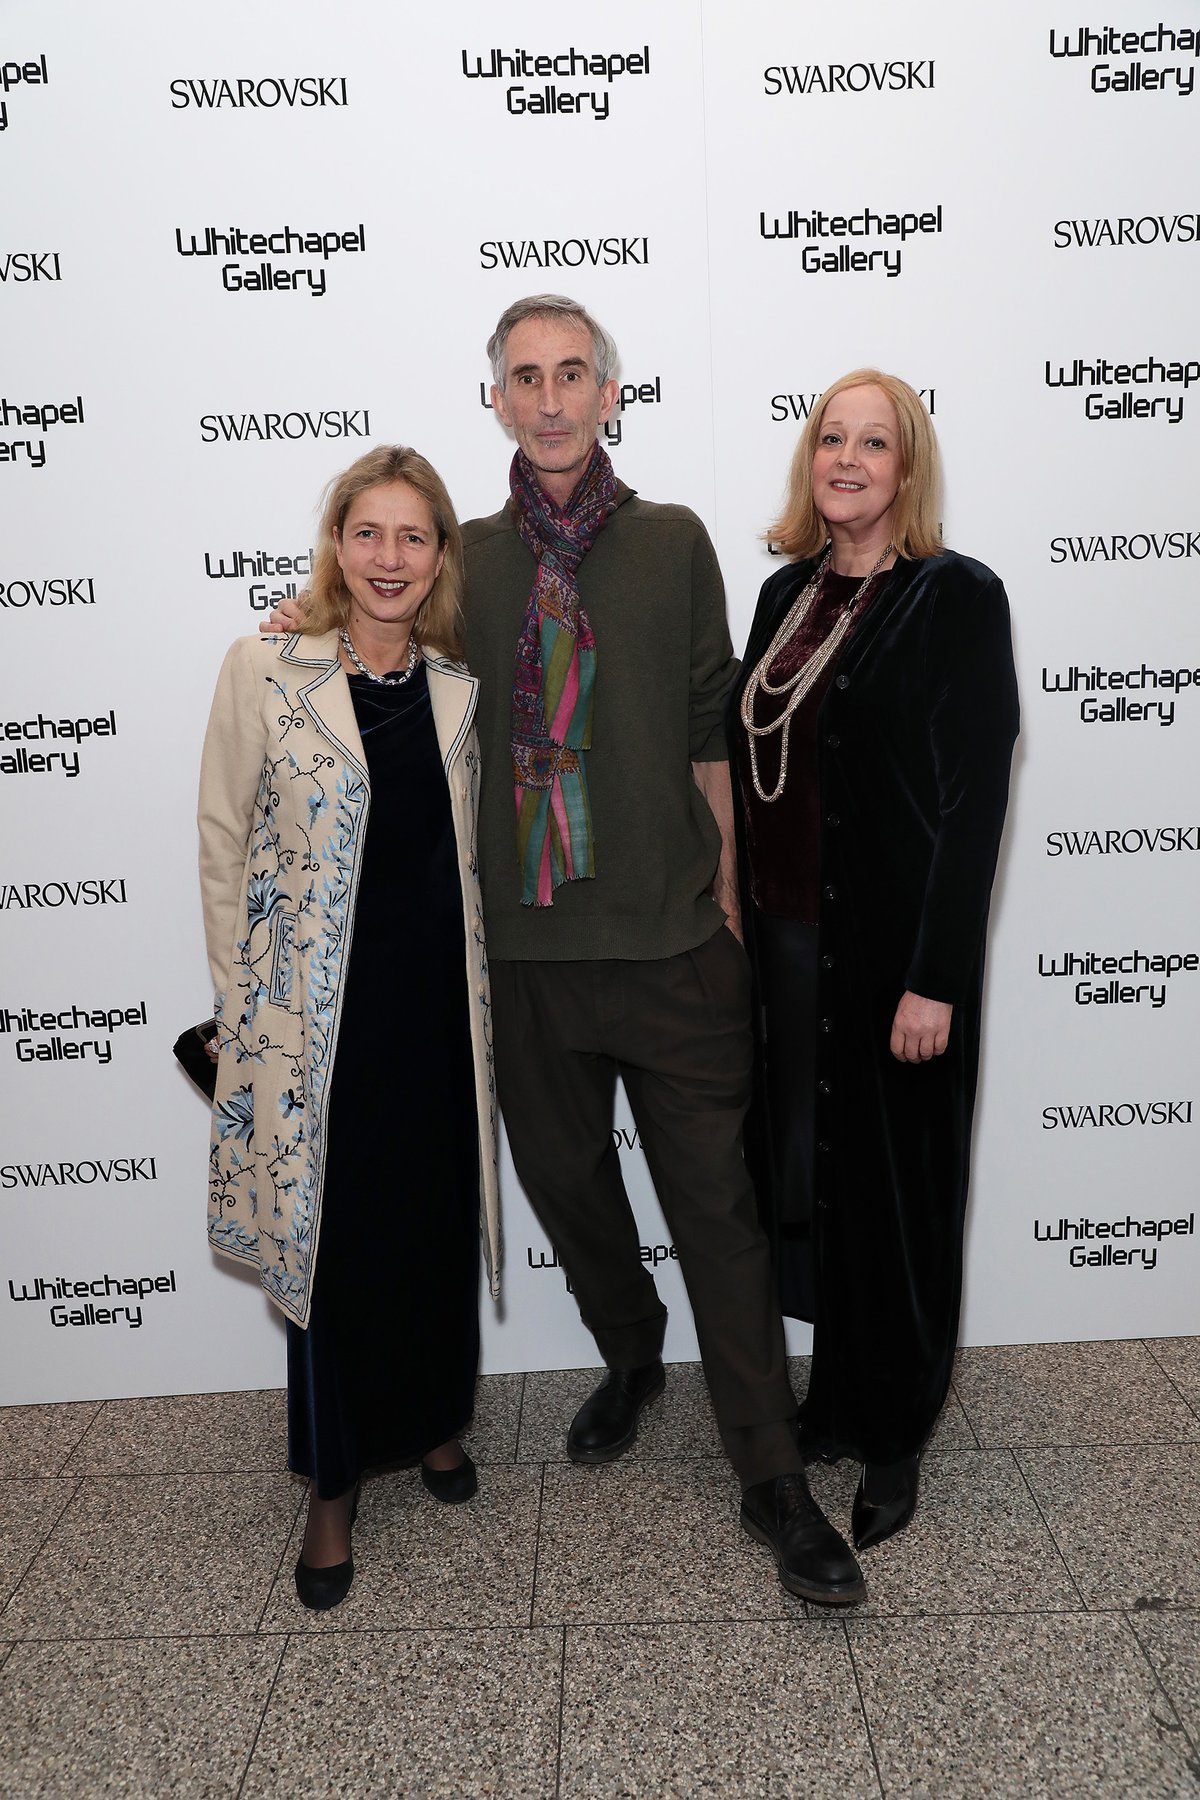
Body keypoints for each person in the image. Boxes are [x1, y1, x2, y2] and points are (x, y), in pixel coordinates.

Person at [266, 296, 865, 1607]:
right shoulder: (460, 561)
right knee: (567, 1189)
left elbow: (710, 731)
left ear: (609, 395)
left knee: (718, 1216)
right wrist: (294, 629)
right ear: (496, 400)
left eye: (572, 374)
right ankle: (634, 1350)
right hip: (522, 959)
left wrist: (725, 903)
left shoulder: (674, 541)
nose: (549, 399)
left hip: (671, 947)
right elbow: (375, 640)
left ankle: (772, 1476)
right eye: (525, 377)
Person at [199, 445, 500, 1611]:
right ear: (336, 544)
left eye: (413, 536)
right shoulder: (266, 668)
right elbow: (223, 839)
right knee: (330, 1253)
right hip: (315, 1028)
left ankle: (431, 1421)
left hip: (435, 1017)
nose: (389, 557)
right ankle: (331, 1485)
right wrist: (241, 1010)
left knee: (430, 1227)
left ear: (439, 557)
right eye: (367, 532)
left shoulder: (456, 691)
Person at [728, 370, 1019, 1551]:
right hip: (789, 952)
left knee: (902, 1197)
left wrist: (936, 977)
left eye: (874, 442)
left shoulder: (956, 597)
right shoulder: (784, 593)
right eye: (831, 438)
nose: (847, 459)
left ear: (908, 468)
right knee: (821, 1182)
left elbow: (973, 801)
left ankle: (896, 1429)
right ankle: (838, 1400)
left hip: (896, 962)